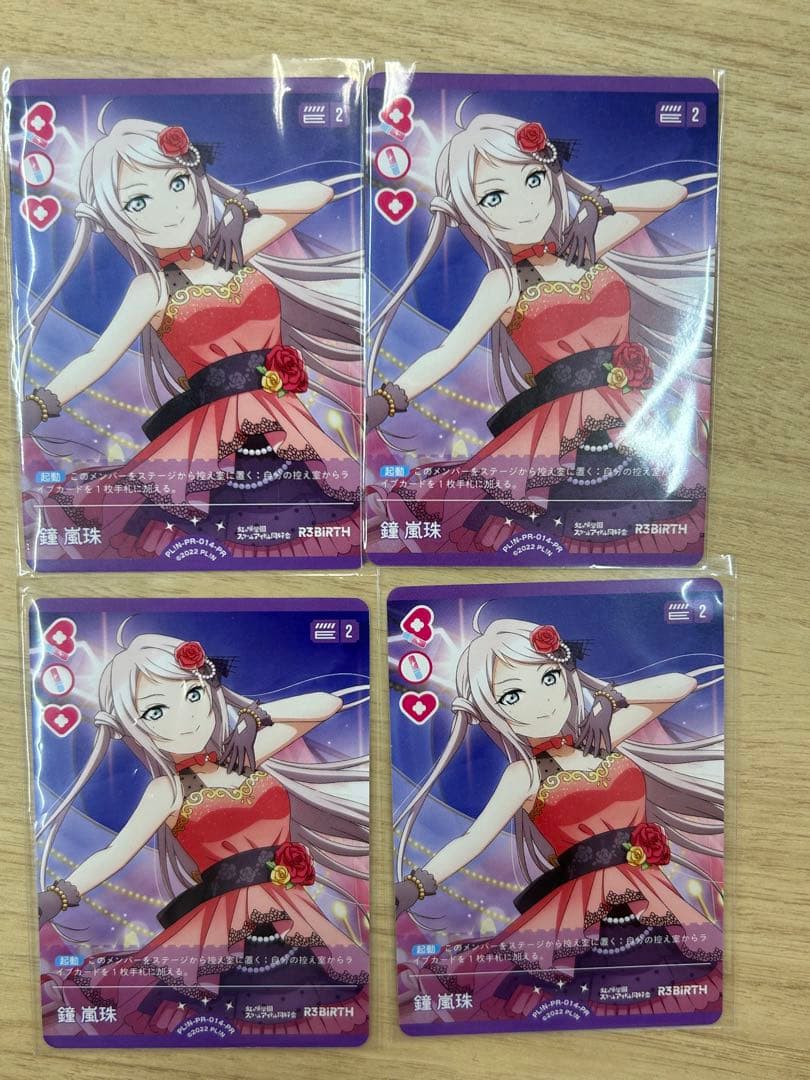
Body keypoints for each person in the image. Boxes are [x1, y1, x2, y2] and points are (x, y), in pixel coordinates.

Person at [38, 630, 369, 1039]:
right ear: (132, 728)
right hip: (226, 929)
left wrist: (252, 718)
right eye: (156, 711)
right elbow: (114, 853)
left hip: (294, 915)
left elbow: (327, 704)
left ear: (211, 690)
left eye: (193, 694)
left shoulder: (243, 756)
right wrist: (56, 897)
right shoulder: (168, 790)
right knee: (251, 1017)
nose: (187, 717)